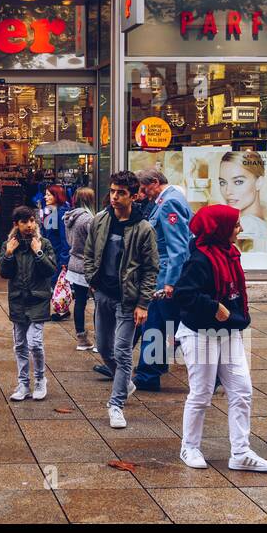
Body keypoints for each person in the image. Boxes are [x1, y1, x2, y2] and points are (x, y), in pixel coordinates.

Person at [171, 205, 267, 472]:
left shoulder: (229, 253)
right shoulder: (200, 259)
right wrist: (212, 306)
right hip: (200, 334)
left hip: (229, 332)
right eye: (235, 225)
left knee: (242, 391)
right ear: (220, 229)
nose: (239, 229)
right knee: (201, 393)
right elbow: (184, 293)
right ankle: (190, 447)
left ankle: (241, 452)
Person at [82, 171, 159, 429]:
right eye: (113, 191)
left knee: (122, 352)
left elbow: (151, 269)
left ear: (134, 196)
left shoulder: (143, 229)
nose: (114, 197)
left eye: (121, 193)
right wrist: (91, 279)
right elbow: (90, 251)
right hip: (102, 293)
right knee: (104, 348)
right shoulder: (101, 220)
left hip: (128, 300)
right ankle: (125, 382)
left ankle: (116, 404)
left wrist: (143, 304)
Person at [134, 168, 193, 391]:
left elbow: (177, 246)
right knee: (160, 323)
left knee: (161, 323)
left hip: (166, 273)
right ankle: (150, 372)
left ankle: (149, 373)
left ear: (155, 182)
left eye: (144, 188)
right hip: (164, 272)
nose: (143, 193)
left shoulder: (169, 203)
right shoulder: (167, 200)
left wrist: (171, 281)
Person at [0, 206, 57, 401]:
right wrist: (8, 254)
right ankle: (23, 383)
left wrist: (38, 253)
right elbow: (4, 273)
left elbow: (50, 270)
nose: (30, 225)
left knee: (35, 343)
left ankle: (40, 379)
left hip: (38, 299)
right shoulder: (10, 244)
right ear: (17, 224)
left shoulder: (44, 243)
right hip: (18, 299)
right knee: (20, 344)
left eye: (32, 221)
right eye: (25, 222)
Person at [63, 187, 96, 350]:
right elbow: (96, 243)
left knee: (80, 302)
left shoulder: (70, 217)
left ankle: (81, 337)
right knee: (99, 304)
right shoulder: (88, 219)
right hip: (87, 263)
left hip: (74, 262)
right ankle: (100, 339)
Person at [40, 185, 72, 322]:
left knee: (55, 283)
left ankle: (61, 310)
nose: (45, 197)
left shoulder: (60, 213)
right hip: (50, 253)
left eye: (49, 195)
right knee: (51, 283)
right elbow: (46, 234)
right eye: (45, 194)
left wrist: (64, 259)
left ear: (56, 196)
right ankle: (60, 310)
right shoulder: (50, 211)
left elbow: (64, 238)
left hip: (57, 255)